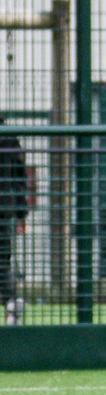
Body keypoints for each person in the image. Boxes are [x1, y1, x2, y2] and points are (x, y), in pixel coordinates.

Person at [0, 132, 28, 323]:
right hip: (3, 206)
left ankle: (12, 301)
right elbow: (19, 180)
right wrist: (20, 213)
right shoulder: (9, 137)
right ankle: (12, 301)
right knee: (2, 259)